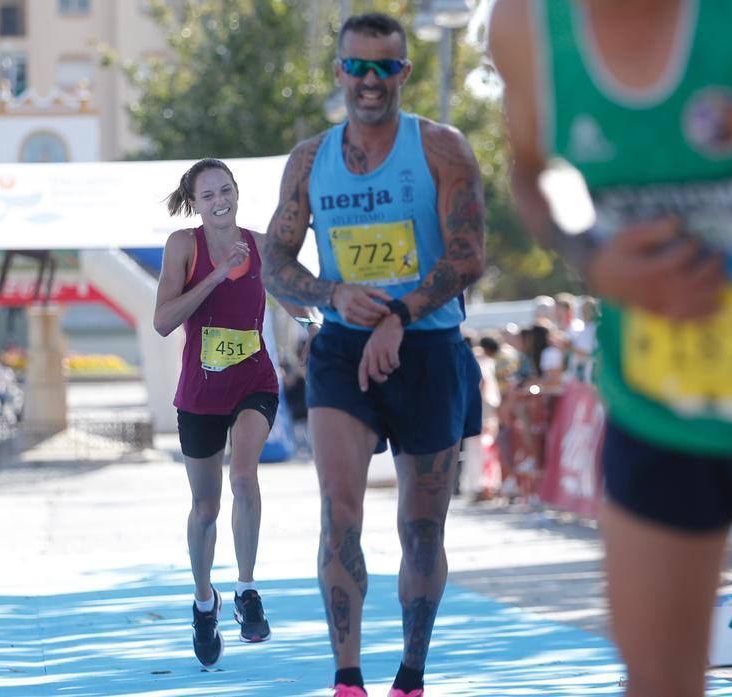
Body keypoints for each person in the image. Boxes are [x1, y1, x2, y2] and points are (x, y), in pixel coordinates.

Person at [489, 1, 732, 695]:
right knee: (656, 680)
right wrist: (598, 260)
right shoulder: (524, 25)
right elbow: (529, 173)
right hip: (660, 409)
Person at [262, 14, 485, 696]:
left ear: (403, 74)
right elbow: (274, 256)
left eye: (383, 67)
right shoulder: (310, 159)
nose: (368, 80)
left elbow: (469, 254)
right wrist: (331, 291)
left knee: (422, 529)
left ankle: (410, 675)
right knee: (340, 509)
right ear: (338, 72)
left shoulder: (443, 148)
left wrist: (399, 313)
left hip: (428, 348)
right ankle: (348, 678)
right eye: (356, 66)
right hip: (341, 347)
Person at [154, 157, 316, 667]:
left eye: (226, 190)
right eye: (208, 195)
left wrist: (315, 327)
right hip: (200, 393)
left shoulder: (263, 246)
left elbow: (295, 301)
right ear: (196, 203)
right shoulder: (183, 247)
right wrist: (217, 276)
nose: (219, 200)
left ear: (237, 193)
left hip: (254, 382)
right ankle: (205, 602)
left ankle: (247, 591)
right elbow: (163, 321)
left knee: (244, 477)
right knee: (205, 509)